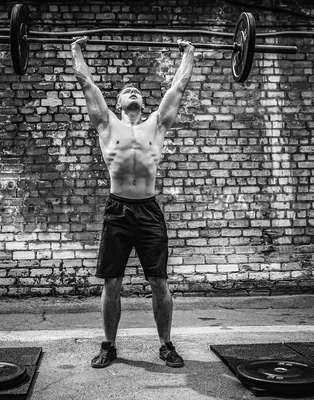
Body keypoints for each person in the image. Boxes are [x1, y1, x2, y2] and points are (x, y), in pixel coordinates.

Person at [70, 36, 195, 369]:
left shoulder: (156, 123)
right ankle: (109, 345)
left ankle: (166, 345)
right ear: (118, 102)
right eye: (126, 90)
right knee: (113, 281)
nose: (133, 91)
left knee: (159, 281)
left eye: (137, 90)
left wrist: (188, 52)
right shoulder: (107, 124)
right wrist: (76, 48)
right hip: (118, 209)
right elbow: (85, 82)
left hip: (149, 210)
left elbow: (179, 88)